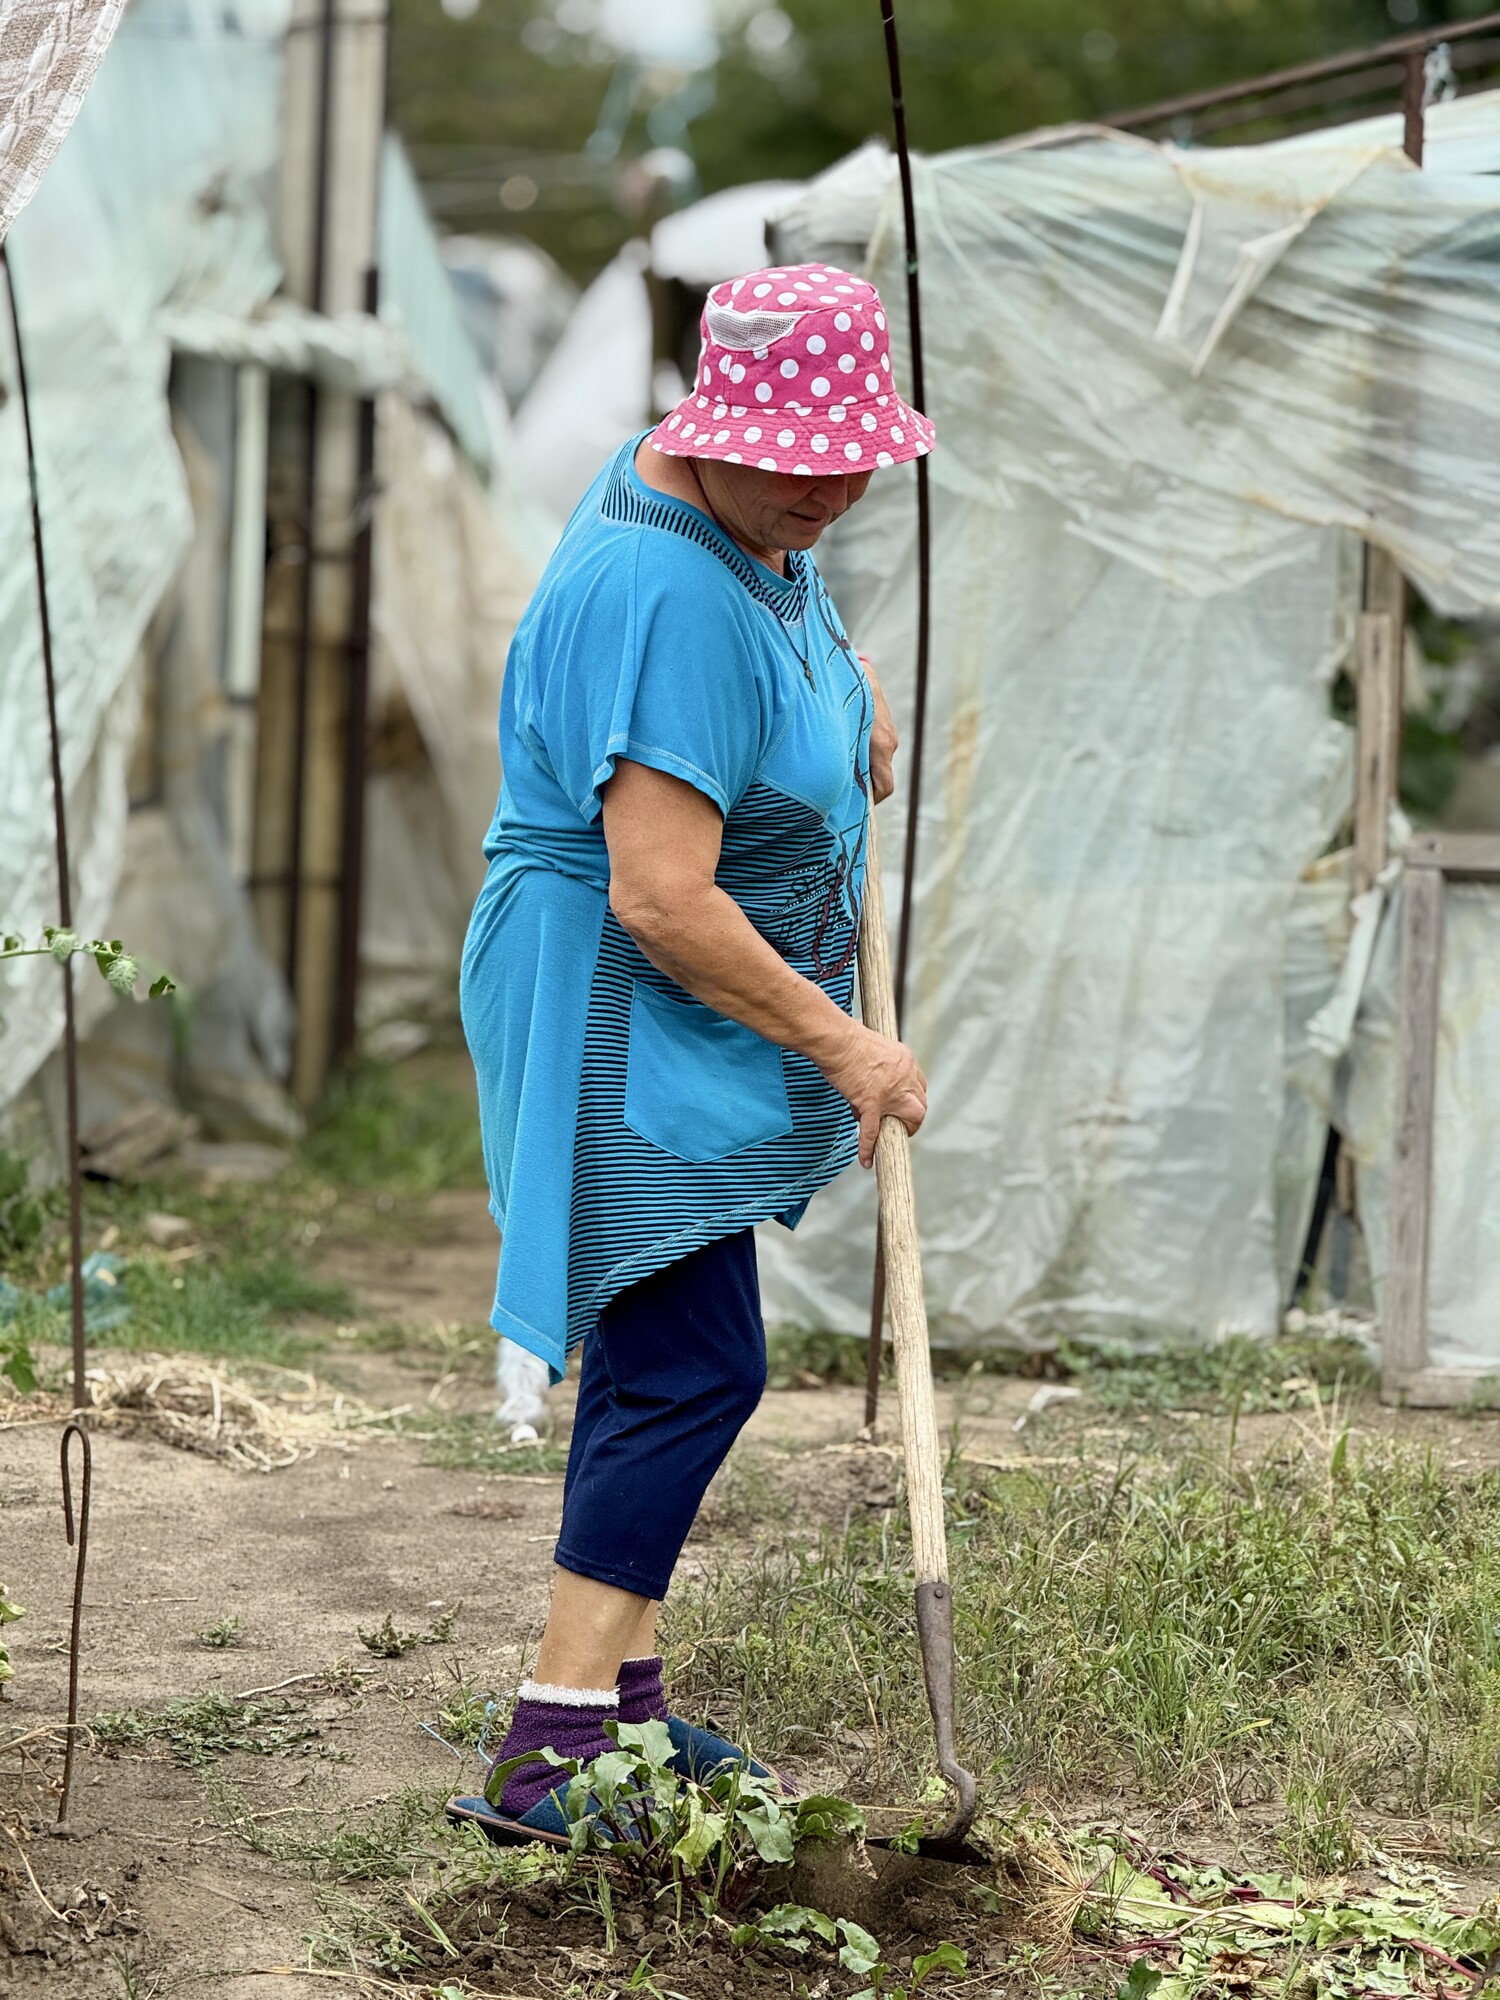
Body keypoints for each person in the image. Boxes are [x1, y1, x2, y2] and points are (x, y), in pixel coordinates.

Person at [451, 263, 935, 1843]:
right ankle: (550, 1748)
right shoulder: (660, 586)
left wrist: (839, 690)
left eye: (848, 465)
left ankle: (628, 1717)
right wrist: (849, 1048)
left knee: (663, 1351)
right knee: (696, 1360)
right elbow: (662, 895)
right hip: (614, 989)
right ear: (718, 429)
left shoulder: (735, 511)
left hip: (656, 990)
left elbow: (778, 610)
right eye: (793, 469)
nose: (824, 495)